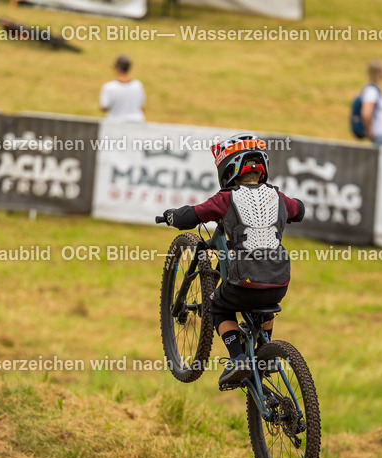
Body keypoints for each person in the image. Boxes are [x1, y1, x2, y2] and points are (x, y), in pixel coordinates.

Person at [159, 134, 305, 389]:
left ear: (228, 170)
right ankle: (267, 351)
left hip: (244, 282)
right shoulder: (279, 197)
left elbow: (192, 215)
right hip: (280, 280)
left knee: (217, 306)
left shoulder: (226, 198)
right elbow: (299, 210)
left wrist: (172, 216)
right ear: (263, 170)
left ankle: (237, 358)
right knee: (267, 304)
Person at [99, 55, 145, 123]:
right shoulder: (138, 85)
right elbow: (141, 104)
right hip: (136, 122)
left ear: (116, 68)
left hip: (115, 122)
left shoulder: (109, 87)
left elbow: (104, 106)